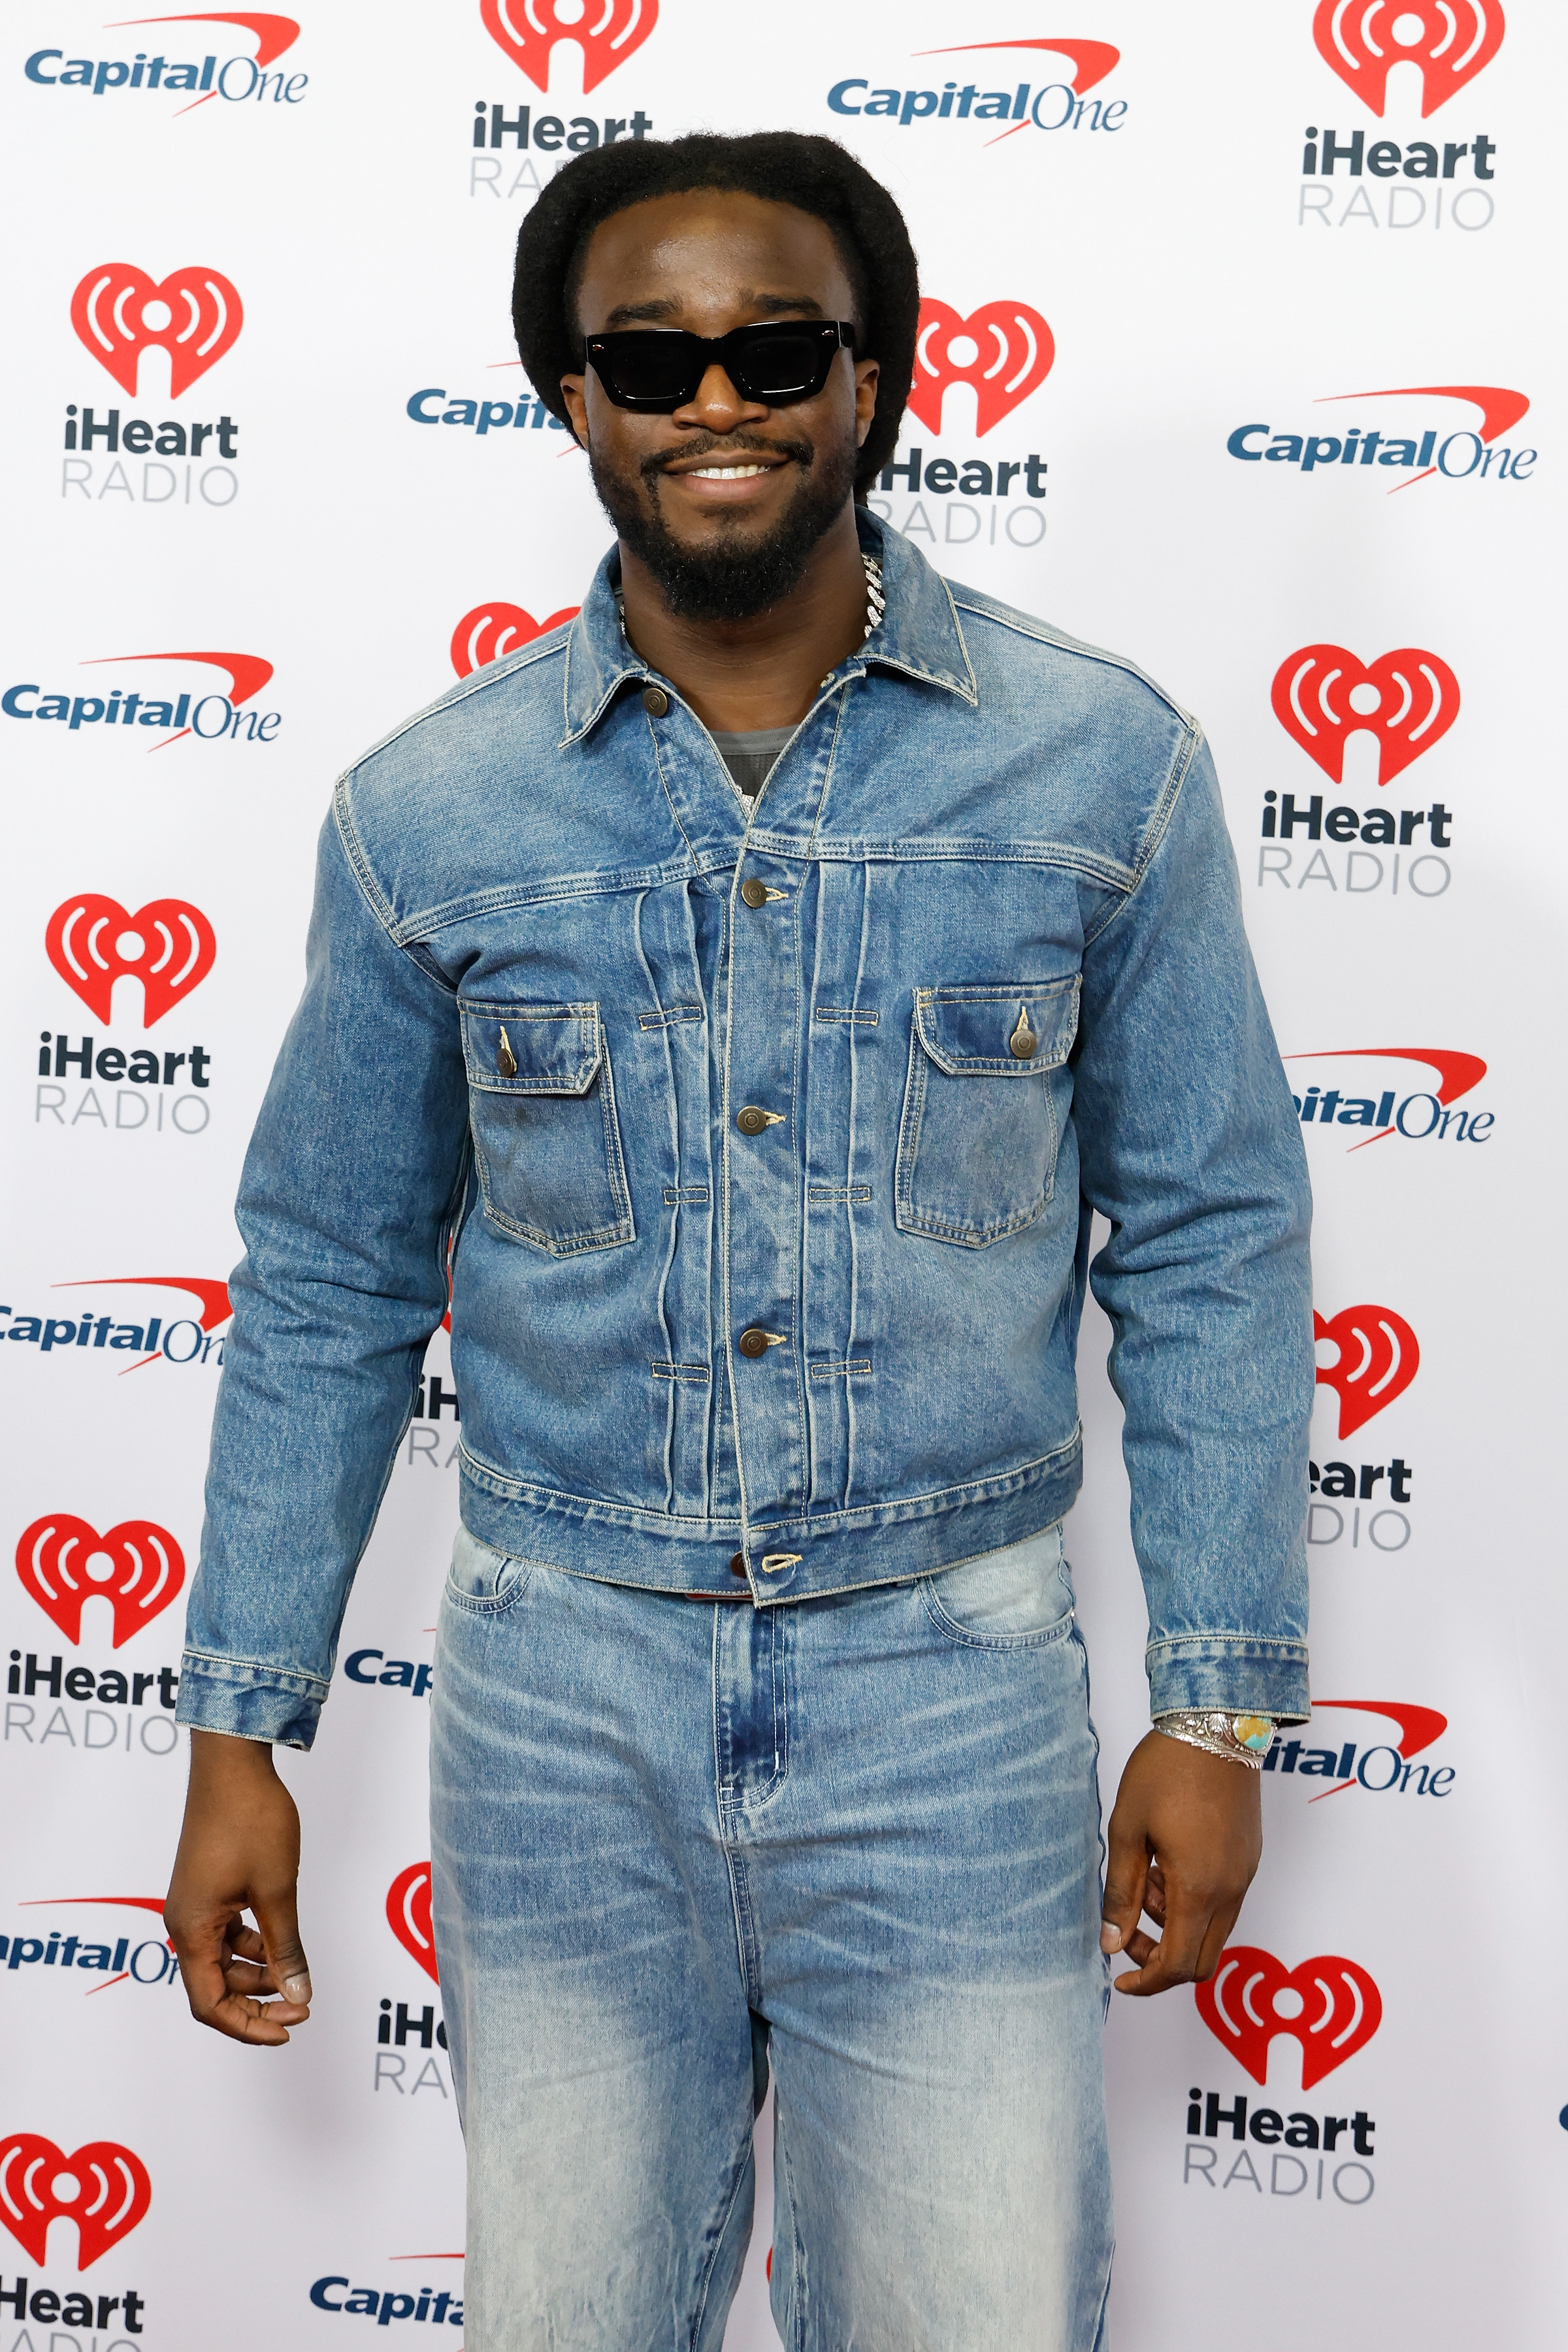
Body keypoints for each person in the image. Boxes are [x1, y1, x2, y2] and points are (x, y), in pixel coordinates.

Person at [165, 132, 1313, 2351]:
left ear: (872, 381)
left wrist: (1225, 1699)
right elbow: (323, 1274)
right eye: (653, 359)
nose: (721, 403)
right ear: (571, 400)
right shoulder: (433, 812)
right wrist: (239, 1727)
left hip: (953, 1701)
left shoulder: (1103, 769)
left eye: (778, 348)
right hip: (558, 1701)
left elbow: (1212, 1239)